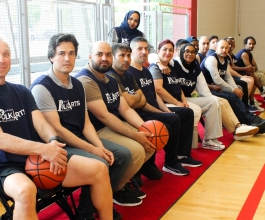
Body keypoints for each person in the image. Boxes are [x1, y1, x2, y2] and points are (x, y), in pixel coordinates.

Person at [0, 37, 113, 220]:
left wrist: (52, 143)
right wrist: (45, 149)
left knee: (99, 169)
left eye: (6, 54)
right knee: (26, 190)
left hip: (37, 160)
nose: (1, 59)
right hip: (3, 168)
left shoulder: (21, 91)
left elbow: (42, 124)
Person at [30, 33, 132, 220]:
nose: (67, 58)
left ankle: (88, 209)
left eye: (71, 53)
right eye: (61, 53)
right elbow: (58, 130)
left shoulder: (77, 84)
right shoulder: (41, 87)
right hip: (60, 147)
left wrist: (99, 147)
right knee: (100, 162)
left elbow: (85, 122)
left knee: (121, 155)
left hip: (80, 140)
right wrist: (93, 150)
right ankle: (90, 213)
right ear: (51, 56)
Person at [75, 41, 155, 207]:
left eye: (108, 54)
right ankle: (110, 192)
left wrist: (144, 128)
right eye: (99, 54)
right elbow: (104, 117)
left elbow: (125, 109)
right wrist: (135, 135)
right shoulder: (85, 80)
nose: (104, 58)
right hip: (96, 130)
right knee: (136, 151)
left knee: (151, 140)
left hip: (113, 125)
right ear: (90, 57)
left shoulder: (110, 79)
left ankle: (119, 186)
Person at [108, 42, 201, 177]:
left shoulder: (144, 71)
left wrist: (163, 111)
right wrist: (148, 105)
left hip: (148, 108)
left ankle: (180, 155)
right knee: (170, 121)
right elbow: (132, 103)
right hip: (138, 113)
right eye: (139, 49)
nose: (144, 51)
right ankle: (165, 162)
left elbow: (147, 97)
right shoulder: (126, 72)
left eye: (146, 48)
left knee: (186, 113)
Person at [149, 39, 259, 143]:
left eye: (193, 52)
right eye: (186, 51)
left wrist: (212, 98)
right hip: (180, 99)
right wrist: (158, 63)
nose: (190, 54)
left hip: (190, 97)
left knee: (221, 101)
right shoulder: (175, 63)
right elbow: (153, 56)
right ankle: (229, 131)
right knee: (216, 101)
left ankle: (238, 128)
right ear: (181, 52)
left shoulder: (195, 67)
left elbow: (203, 89)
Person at [201, 39, 265, 134]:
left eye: (226, 48)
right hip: (206, 89)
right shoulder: (212, 59)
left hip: (217, 88)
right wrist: (232, 90)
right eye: (222, 47)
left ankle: (248, 120)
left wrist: (235, 88)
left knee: (237, 91)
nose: (224, 50)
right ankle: (250, 120)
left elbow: (228, 77)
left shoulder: (224, 60)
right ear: (215, 48)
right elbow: (217, 80)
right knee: (231, 96)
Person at [225, 37, 260, 111]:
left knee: (253, 78)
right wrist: (243, 73)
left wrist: (248, 70)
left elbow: (253, 66)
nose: (232, 45)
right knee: (250, 79)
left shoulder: (232, 55)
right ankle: (244, 104)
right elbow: (231, 70)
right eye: (230, 44)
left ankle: (250, 102)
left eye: (233, 43)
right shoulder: (226, 55)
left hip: (236, 75)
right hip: (229, 77)